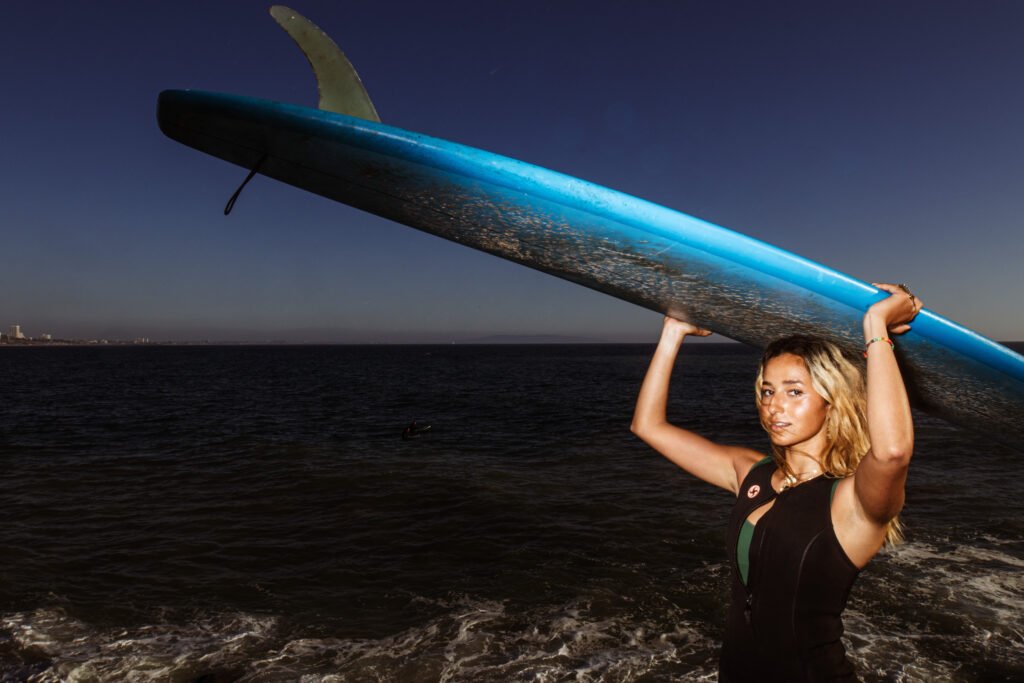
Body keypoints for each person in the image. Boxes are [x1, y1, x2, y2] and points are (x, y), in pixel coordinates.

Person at [631, 283, 922, 681]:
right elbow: (648, 426)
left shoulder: (853, 500)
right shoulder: (751, 472)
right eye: (767, 391)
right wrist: (672, 333)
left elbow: (892, 452)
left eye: (794, 392)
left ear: (830, 400)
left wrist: (876, 327)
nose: (774, 406)